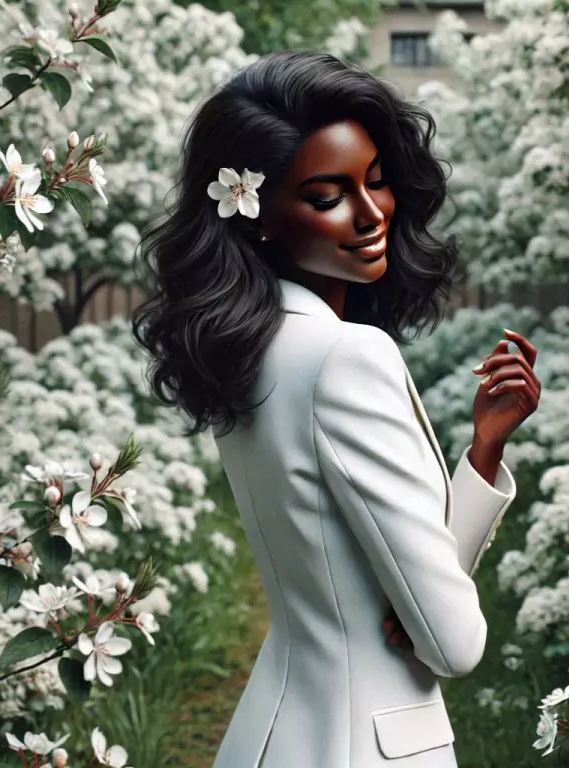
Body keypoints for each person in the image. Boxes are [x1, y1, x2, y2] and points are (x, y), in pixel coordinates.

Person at [132, 50, 541, 768]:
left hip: (274, 729)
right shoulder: (348, 357)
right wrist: (426, 619)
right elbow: (453, 641)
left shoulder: (246, 346)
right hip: (367, 741)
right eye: (327, 196)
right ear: (257, 215)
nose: (370, 213)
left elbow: (372, 571)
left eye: (376, 181)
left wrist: (482, 452)